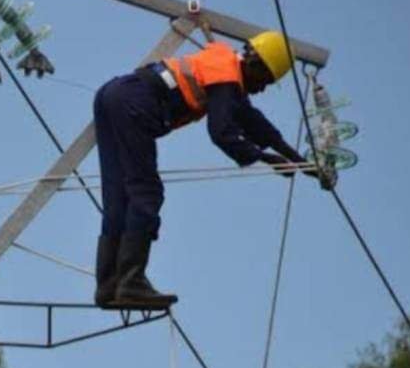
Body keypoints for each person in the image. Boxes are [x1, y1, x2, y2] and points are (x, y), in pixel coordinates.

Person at [93, 31, 311, 309]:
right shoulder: (227, 80)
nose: (263, 89)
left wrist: (301, 161)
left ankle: (108, 285)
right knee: (146, 193)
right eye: (266, 80)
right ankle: (131, 282)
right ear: (255, 64)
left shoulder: (224, 69)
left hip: (114, 94)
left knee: (119, 195)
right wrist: (265, 159)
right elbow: (222, 133)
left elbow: (255, 124)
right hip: (134, 103)